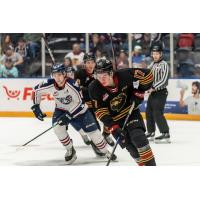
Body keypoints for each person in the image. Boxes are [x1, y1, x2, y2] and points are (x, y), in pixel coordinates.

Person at [31, 63, 116, 165]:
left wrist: (69, 115)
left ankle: (105, 151)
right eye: (54, 75)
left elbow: (80, 104)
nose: (57, 78)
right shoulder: (49, 83)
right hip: (61, 110)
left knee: (94, 134)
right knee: (57, 128)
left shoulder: (72, 84)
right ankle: (70, 149)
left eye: (59, 74)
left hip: (81, 112)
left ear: (64, 74)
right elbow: (36, 90)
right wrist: (36, 107)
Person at [89, 58, 156, 166]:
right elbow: (100, 111)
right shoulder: (94, 88)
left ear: (111, 72)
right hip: (114, 121)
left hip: (130, 112)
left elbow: (148, 75)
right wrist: (113, 127)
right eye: (98, 75)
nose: (101, 79)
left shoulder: (125, 75)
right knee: (131, 149)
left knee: (139, 138)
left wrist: (140, 92)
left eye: (104, 75)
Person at [74, 53, 115, 147]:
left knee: (109, 118)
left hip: (100, 100)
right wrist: (89, 89)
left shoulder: (100, 71)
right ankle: (97, 143)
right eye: (88, 62)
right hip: (87, 103)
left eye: (92, 62)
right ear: (84, 63)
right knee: (95, 126)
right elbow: (77, 88)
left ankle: (106, 134)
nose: (90, 64)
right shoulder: (79, 73)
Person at [145, 44, 170, 143]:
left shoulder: (164, 64)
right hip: (153, 93)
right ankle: (151, 132)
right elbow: (147, 75)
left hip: (161, 92)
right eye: (153, 53)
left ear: (161, 54)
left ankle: (165, 133)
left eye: (157, 54)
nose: (155, 55)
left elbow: (164, 80)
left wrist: (153, 87)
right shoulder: (152, 64)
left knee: (157, 112)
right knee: (148, 112)